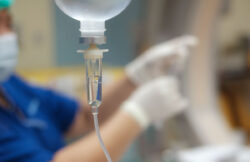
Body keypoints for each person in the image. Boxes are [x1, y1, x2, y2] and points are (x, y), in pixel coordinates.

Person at [0, 1, 197, 161]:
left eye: (9, 23)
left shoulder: (9, 85)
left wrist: (137, 76)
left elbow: (83, 116)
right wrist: (139, 112)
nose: (9, 35)